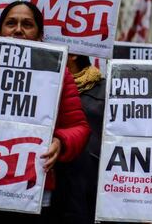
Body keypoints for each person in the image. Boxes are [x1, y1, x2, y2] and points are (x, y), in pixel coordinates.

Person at [0, 1, 90, 224]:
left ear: (39, 35)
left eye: (27, 24)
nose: (18, 29)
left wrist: (61, 142)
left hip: (30, 193)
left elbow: (80, 128)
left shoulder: (58, 72)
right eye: (10, 23)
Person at [52, 54, 106, 224]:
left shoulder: (105, 89)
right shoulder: (49, 82)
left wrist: (60, 141)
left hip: (84, 187)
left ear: (74, 54)